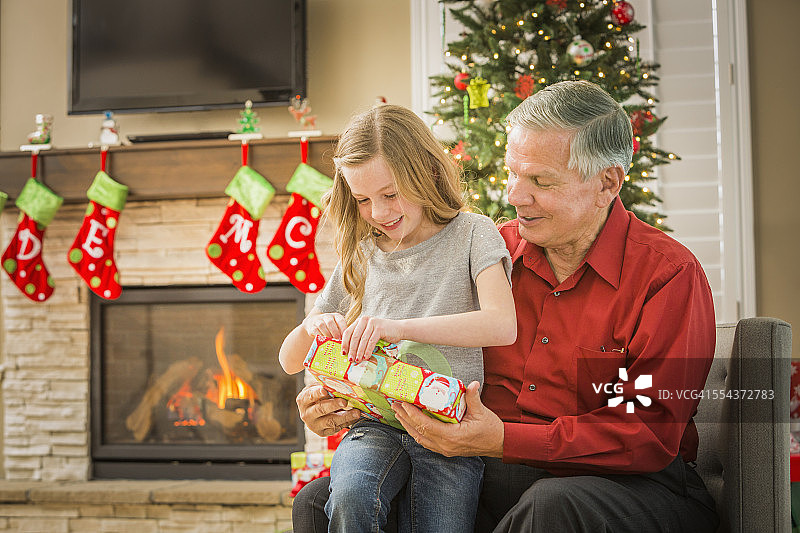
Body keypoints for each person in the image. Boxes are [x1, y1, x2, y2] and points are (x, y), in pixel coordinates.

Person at [291, 80, 720, 533]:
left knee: (551, 504)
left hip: (627, 485)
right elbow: (418, 360)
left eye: (540, 180)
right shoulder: (488, 253)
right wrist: (345, 396)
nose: (515, 195)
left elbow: (648, 435)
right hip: (491, 463)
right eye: (512, 173)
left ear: (606, 183)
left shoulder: (668, 276)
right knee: (321, 500)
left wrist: (502, 439)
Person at [278, 104, 516, 533]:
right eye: (363, 199)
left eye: (390, 194)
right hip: (375, 425)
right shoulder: (363, 254)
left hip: (450, 428)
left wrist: (397, 327)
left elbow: (502, 324)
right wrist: (313, 325)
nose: (379, 212)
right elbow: (288, 360)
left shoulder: (473, 233)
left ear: (424, 171)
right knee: (348, 498)